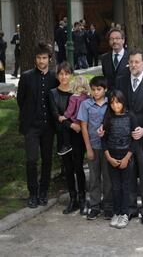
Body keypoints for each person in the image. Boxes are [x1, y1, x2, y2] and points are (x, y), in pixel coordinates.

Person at [117, 48, 143, 224]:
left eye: (137, 62)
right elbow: (116, 107)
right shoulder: (121, 81)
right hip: (125, 135)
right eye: (131, 62)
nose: (134, 65)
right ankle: (131, 208)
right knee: (128, 172)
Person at [17, 42, 58, 208]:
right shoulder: (26, 76)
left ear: (49, 59)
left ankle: (43, 192)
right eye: (39, 58)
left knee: (47, 160)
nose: (41, 61)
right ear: (35, 59)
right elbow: (20, 100)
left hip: (48, 127)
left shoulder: (54, 78)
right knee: (31, 160)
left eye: (44, 58)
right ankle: (32, 193)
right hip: (31, 127)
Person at [49, 62, 86, 215]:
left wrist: (76, 126)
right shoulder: (52, 93)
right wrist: (71, 125)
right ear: (57, 76)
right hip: (64, 135)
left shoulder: (77, 92)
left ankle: (83, 199)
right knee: (68, 169)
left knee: (78, 167)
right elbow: (56, 115)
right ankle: (73, 199)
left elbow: (83, 110)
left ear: (71, 75)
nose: (64, 77)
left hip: (77, 137)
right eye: (61, 74)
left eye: (67, 73)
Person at [77, 76, 113, 220]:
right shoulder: (86, 105)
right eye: (93, 89)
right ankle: (95, 206)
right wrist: (88, 148)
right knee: (94, 178)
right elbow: (84, 127)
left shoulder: (110, 104)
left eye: (99, 89)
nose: (96, 92)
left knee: (108, 178)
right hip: (93, 146)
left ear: (105, 90)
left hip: (107, 148)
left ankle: (109, 206)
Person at [101, 90, 136, 229]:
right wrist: (109, 157)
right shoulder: (108, 117)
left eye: (118, 102)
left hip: (126, 157)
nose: (115, 105)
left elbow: (135, 140)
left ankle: (125, 214)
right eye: (112, 102)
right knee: (115, 186)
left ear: (123, 102)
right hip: (112, 157)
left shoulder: (130, 116)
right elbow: (103, 139)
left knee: (125, 186)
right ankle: (116, 212)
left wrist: (127, 158)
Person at [58, 76, 90, 155]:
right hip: (86, 121)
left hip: (76, 120)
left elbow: (70, 111)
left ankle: (66, 145)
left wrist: (64, 116)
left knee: (65, 126)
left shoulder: (73, 97)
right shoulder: (88, 96)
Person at [101, 28, 129, 93]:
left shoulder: (130, 57)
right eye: (111, 39)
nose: (114, 41)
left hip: (126, 96)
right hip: (110, 96)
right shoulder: (104, 58)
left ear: (123, 40)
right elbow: (105, 77)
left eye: (117, 38)